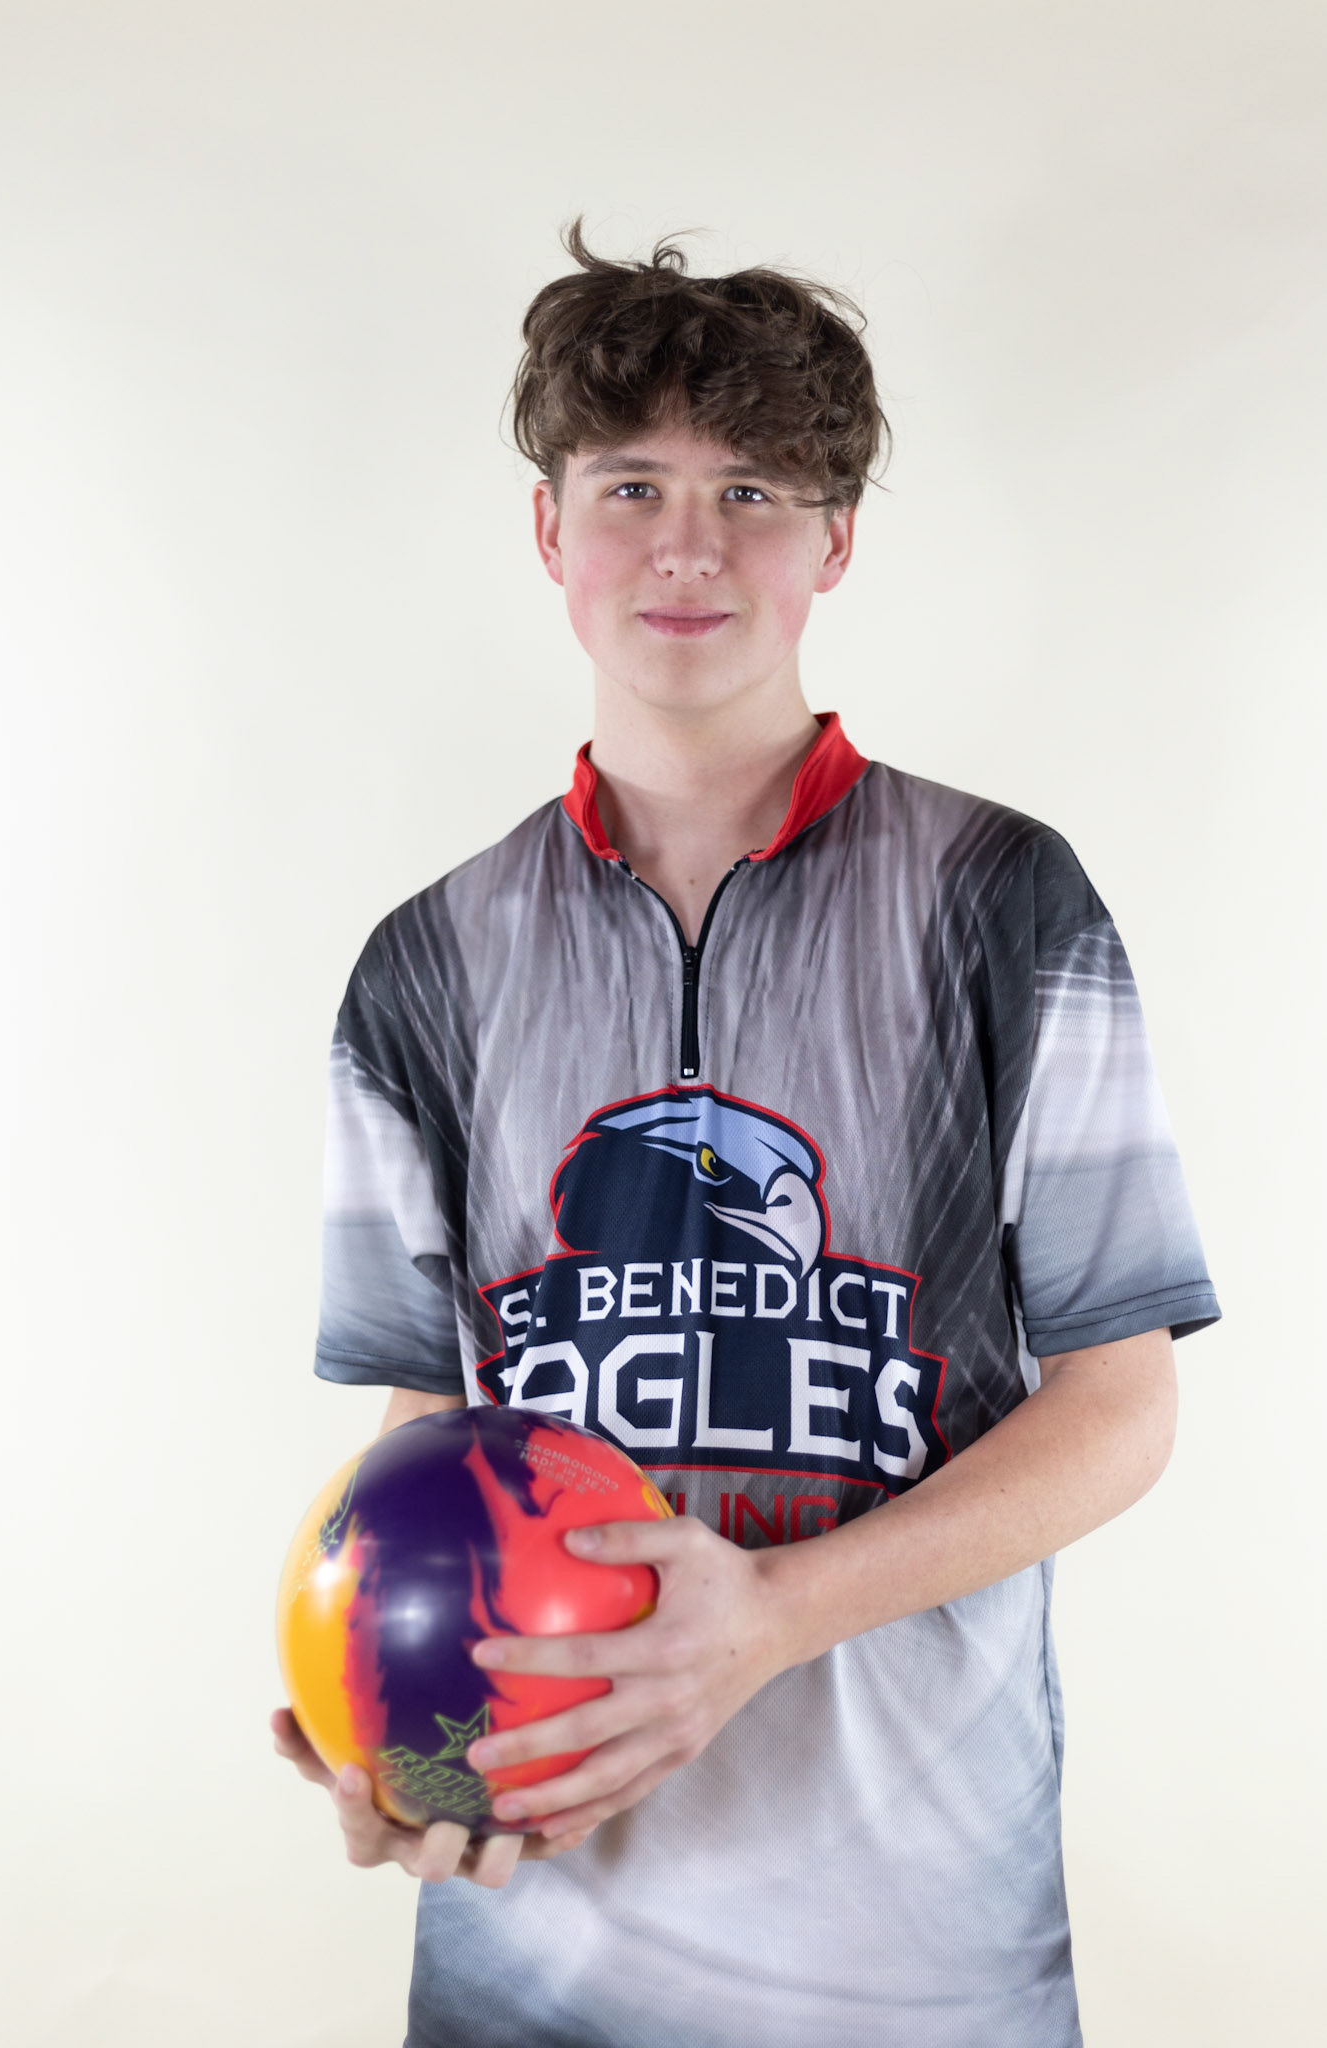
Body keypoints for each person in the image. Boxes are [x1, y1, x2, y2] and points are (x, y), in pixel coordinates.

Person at [272, 222, 1219, 2048]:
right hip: (538, 1951)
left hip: (918, 1956)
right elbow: (430, 1429)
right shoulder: (425, 962)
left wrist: (771, 1612)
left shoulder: (1004, 902)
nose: (688, 543)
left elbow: (1121, 1407)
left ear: (834, 540)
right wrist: (385, 1707)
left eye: (756, 486)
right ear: (550, 530)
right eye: (629, 482)